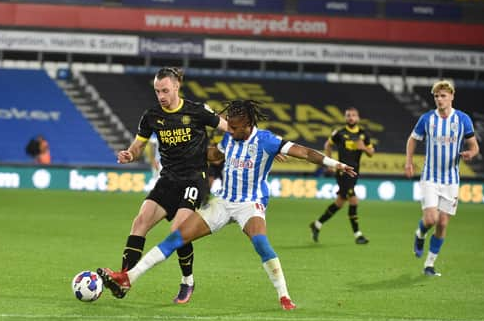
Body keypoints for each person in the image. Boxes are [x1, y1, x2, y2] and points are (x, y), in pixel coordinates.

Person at [98, 100, 357, 310]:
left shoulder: (266, 141)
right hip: (223, 201)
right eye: (229, 127)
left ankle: (284, 297)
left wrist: (336, 165)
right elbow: (215, 154)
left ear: (249, 124)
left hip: (249, 203)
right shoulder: (230, 138)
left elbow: (305, 152)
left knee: (260, 242)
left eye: (235, 127)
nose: (230, 131)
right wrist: (192, 147)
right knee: (177, 237)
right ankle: (127, 278)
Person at [98, 67, 227, 304]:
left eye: (165, 90)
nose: (161, 96)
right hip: (168, 179)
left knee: (178, 229)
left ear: (177, 86)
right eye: (157, 91)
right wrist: (129, 154)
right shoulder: (151, 116)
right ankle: (124, 279)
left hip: (194, 179)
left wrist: (260, 144)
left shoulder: (197, 111)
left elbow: (229, 128)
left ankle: (187, 280)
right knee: (140, 221)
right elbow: (138, 146)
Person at [404, 80, 479, 276]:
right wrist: (409, 161)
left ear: (451, 97)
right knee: (430, 219)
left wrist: (472, 154)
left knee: (443, 223)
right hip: (430, 177)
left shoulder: (463, 119)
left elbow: (474, 146)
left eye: (443, 95)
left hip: (451, 179)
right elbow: (413, 139)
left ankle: (429, 264)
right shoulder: (427, 119)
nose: (439, 99)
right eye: (436, 96)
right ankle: (420, 234)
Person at [309, 107, 374, 245]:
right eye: (348, 115)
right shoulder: (339, 133)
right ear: (345, 118)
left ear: (358, 118)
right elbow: (327, 145)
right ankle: (358, 235)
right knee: (354, 201)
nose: (351, 117)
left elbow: (371, 152)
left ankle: (317, 224)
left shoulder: (363, 134)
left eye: (353, 115)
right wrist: (330, 163)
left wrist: (364, 148)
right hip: (343, 172)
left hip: (355, 172)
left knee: (339, 202)